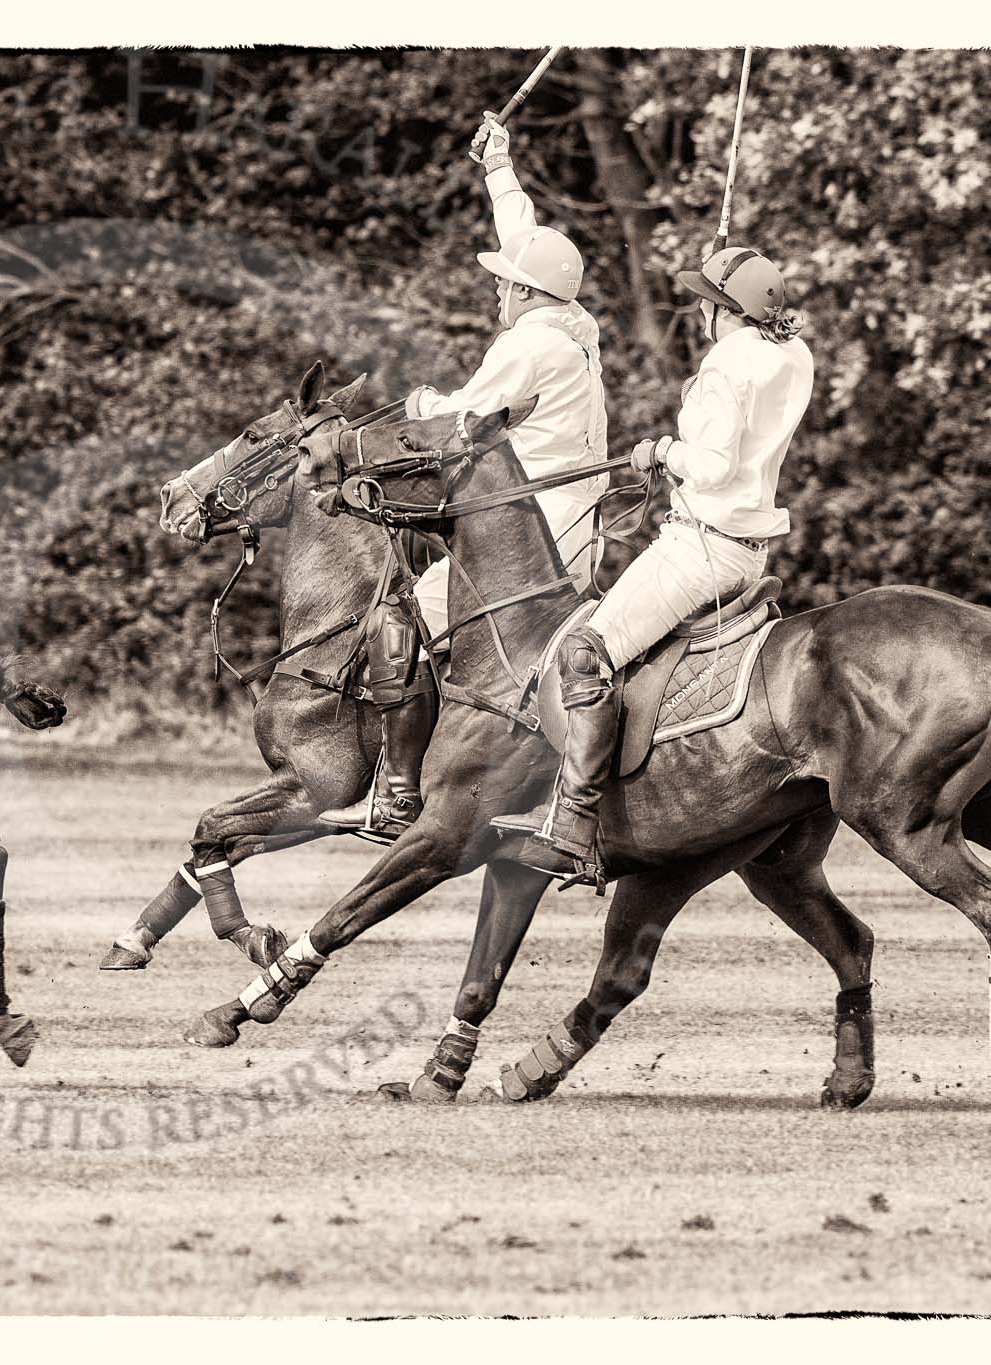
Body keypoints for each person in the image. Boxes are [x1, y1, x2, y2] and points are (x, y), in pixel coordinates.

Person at [321, 111, 611, 838]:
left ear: (524, 294)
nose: (497, 291)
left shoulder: (529, 344)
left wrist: (419, 404)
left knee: (402, 618)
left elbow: (456, 425)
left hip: (533, 532)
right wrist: (499, 167)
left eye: (505, 283)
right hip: (574, 524)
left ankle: (399, 794)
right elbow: (529, 243)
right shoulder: (574, 324)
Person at [492, 245, 814, 878]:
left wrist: (665, 450)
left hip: (701, 546)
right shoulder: (790, 354)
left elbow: (715, 465)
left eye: (706, 300)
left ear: (723, 311)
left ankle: (573, 820)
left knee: (586, 651)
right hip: (749, 551)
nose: (698, 307)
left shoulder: (727, 363)